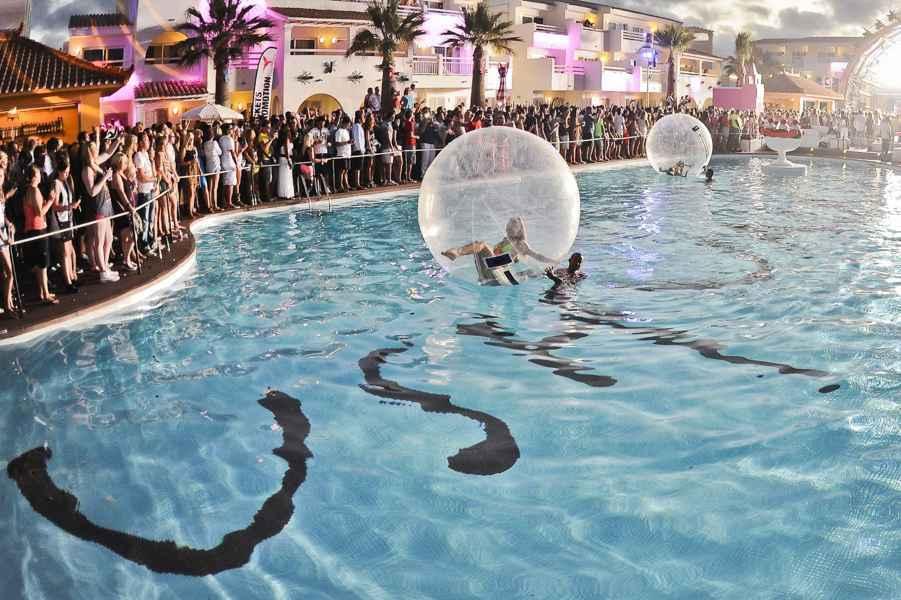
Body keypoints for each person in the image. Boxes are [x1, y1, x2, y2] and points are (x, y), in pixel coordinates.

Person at [441, 216, 558, 285]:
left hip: (503, 275)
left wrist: (553, 260)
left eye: (514, 226)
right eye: (509, 225)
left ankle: (456, 252)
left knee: (482, 244)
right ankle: (457, 253)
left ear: (519, 229)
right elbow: (494, 251)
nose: (510, 227)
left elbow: (537, 256)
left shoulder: (520, 244)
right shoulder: (504, 242)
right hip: (493, 270)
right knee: (479, 245)